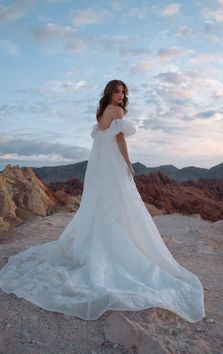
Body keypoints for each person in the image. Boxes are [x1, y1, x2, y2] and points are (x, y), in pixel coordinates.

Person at [0, 79, 206, 323]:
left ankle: (100, 242)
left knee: (104, 203)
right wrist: (128, 163)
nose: (121, 96)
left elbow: (100, 139)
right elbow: (120, 140)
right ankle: (118, 246)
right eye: (118, 91)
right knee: (120, 201)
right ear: (111, 92)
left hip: (99, 166)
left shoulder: (101, 112)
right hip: (113, 164)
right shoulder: (117, 111)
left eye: (124, 92)